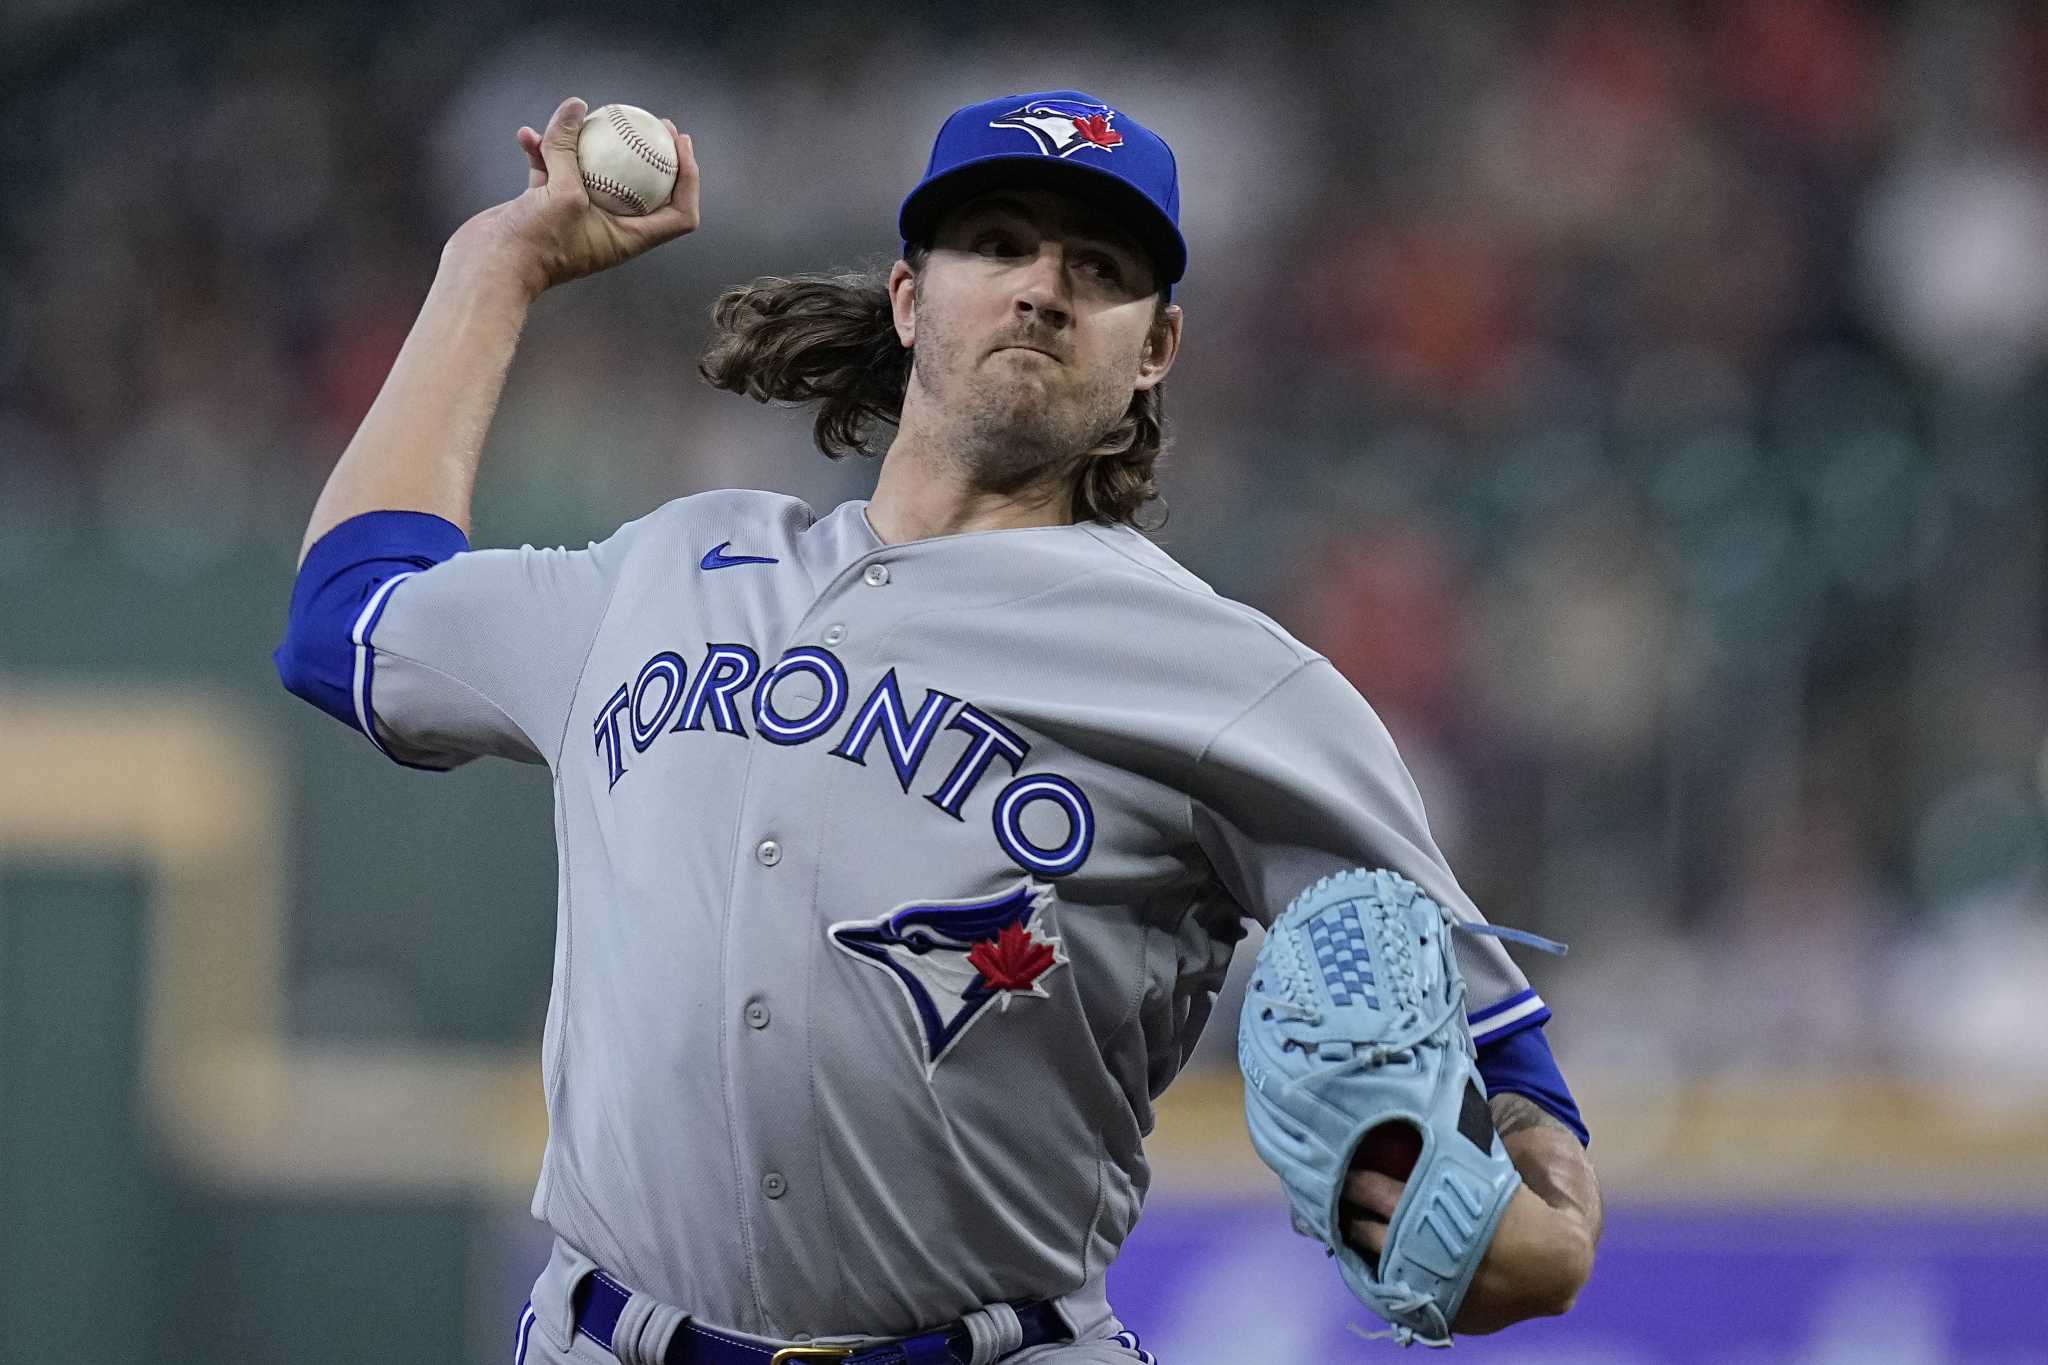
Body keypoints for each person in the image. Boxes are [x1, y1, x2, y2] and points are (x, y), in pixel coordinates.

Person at [275, 89, 1600, 1364]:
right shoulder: (670, 568)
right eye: (997, 242)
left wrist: (1547, 1230)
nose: (1042, 283)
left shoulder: (1228, 679)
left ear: (1155, 350)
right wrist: (492, 266)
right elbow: (346, 622)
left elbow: (1505, 1052)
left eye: (1099, 263)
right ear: (909, 298)